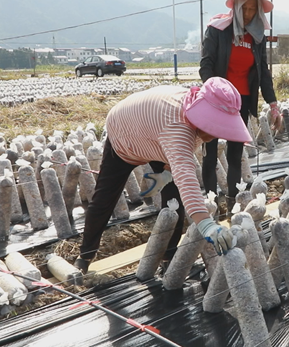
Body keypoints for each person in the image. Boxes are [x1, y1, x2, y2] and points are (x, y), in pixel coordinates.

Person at [73, 78, 250, 274]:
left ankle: (168, 256)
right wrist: (207, 224)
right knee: (104, 198)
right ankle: (85, 255)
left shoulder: (192, 108)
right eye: (216, 126)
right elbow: (187, 178)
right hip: (125, 134)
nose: (217, 134)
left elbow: (179, 156)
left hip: (155, 133)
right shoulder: (177, 129)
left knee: (173, 200)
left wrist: (166, 171)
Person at [200, 0, 281, 211]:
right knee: (211, 153)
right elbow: (206, 65)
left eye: (252, 10)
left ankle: (233, 203)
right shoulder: (217, 30)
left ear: (258, 11)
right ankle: (211, 204)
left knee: (236, 153)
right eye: (244, 9)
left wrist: (273, 106)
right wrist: (213, 90)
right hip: (216, 101)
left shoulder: (257, 37)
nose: (247, 14)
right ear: (235, 7)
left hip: (242, 101)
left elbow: (263, 72)